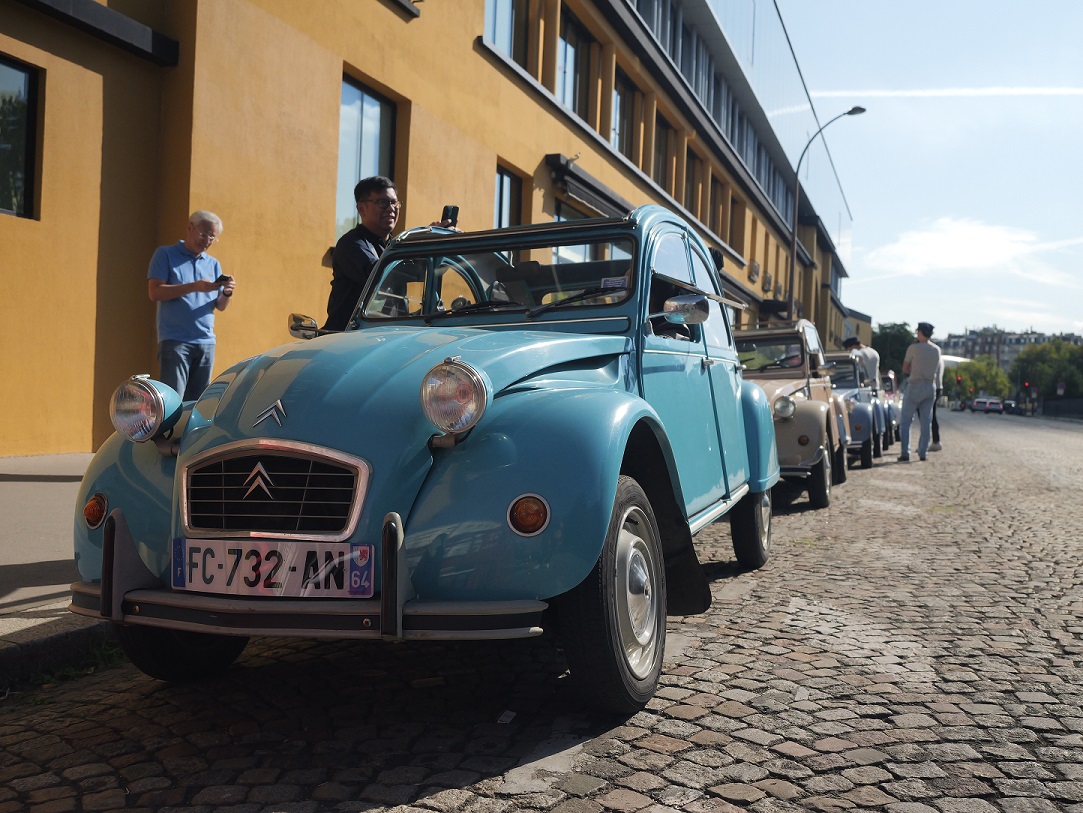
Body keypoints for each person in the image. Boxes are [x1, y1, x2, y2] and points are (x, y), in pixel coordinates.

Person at [147, 210, 235, 401]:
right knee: (173, 400)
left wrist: (227, 292)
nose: (207, 241)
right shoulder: (166, 254)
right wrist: (195, 287)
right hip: (175, 340)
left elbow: (220, 305)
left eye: (212, 237)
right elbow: (155, 292)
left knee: (199, 402)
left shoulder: (213, 264)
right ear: (189, 228)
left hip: (205, 341)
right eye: (204, 234)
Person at [324, 176, 401, 331]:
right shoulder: (352, 244)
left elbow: (420, 272)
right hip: (348, 341)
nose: (391, 208)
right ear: (361, 209)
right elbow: (380, 275)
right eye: (382, 202)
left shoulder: (395, 246)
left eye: (394, 202)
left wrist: (436, 241)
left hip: (388, 336)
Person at [897, 322, 942, 462]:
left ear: (921, 333)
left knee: (906, 421)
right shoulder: (936, 350)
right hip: (930, 387)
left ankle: (905, 452)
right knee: (926, 421)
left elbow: (905, 368)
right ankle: (923, 452)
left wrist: (913, 370)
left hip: (915, 385)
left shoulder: (913, 348)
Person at [930, 357, 944, 451]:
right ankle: (936, 440)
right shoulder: (940, 359)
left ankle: (934, 441)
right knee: (932, 415)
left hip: (932, 386)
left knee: (928, 415)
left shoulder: (932, 357)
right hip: (939, 387)